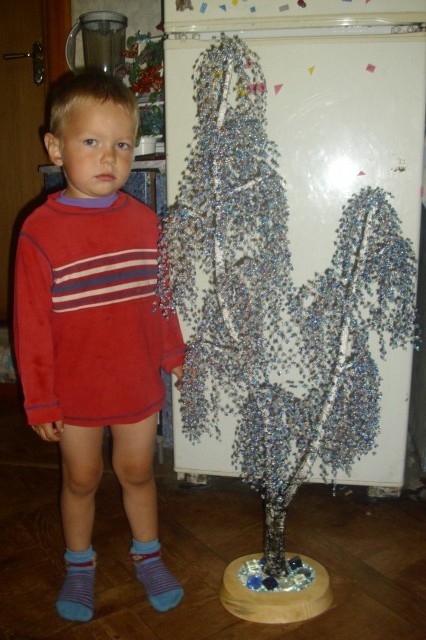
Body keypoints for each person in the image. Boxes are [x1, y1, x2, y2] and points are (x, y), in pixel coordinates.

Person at [13, 72, 186, 622]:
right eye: (91, 141)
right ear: (55, 147)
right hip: (74, 390)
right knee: (81, 478)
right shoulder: (39, 232)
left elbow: (162, 298)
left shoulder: (147, 223)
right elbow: (31, 326)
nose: (109, 156)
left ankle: (148, 554)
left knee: (137, 471)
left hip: (136, 380)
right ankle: (80, 563)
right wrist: (40, 398)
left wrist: (173, 352)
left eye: (122, 144)